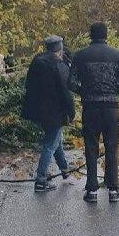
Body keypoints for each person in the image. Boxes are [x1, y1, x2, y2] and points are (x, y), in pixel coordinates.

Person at [69, 22, 119, 203]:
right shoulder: (117, 54)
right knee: (112, 147)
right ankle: (113, 190)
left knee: (91, 148)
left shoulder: (80, 55)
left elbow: (70, 82)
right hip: (111, 107)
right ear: (106, 35)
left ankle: (92, 191)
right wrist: (114, 91)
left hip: (90, 108)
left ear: (90, 35)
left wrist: (85, 92)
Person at [22, 35, 76, 192]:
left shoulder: (37, 61)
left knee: (55, 140)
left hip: (38, 110)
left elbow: (28, 85)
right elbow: (66, 92)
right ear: (59, 50)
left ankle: (65, 172)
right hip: (55, 112)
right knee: (50, 144)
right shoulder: (58, 65)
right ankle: (40, 180)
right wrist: (71, 113)